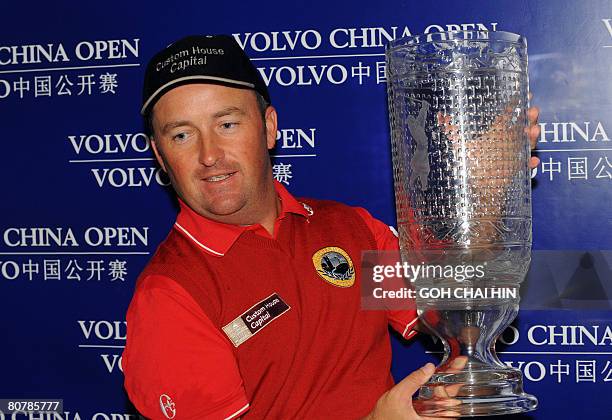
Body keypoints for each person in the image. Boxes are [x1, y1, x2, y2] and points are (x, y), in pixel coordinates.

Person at [122, 34, 540, 420]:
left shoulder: (347, 229)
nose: (209, 154)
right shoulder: (170, 294)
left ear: (268, 127)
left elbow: (456, 307)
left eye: (227, 124)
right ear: (160, 155)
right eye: (181, 135)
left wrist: (484, 192)